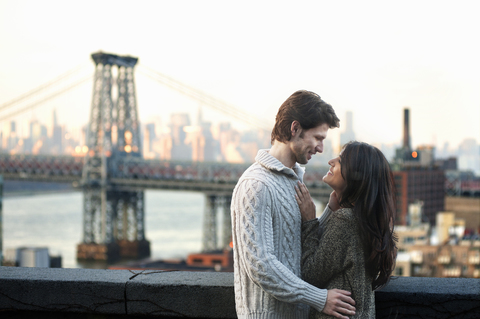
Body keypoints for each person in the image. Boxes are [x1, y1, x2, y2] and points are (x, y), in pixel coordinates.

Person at [231, 90, 356, 319]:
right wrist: (320, 298)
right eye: (318, 138)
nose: (320, 148)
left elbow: (294, 249)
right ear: (295, 129)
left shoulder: (292, 181)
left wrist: (329, 211)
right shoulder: (255, 185)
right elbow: (262, 266)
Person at [295, 141, 398, 318]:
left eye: (341, 160)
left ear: (357, 175)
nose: (331, 161)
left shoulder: (346, 220)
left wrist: (309, 222)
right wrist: (330, 211)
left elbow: (309, 274)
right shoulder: (366, 222)